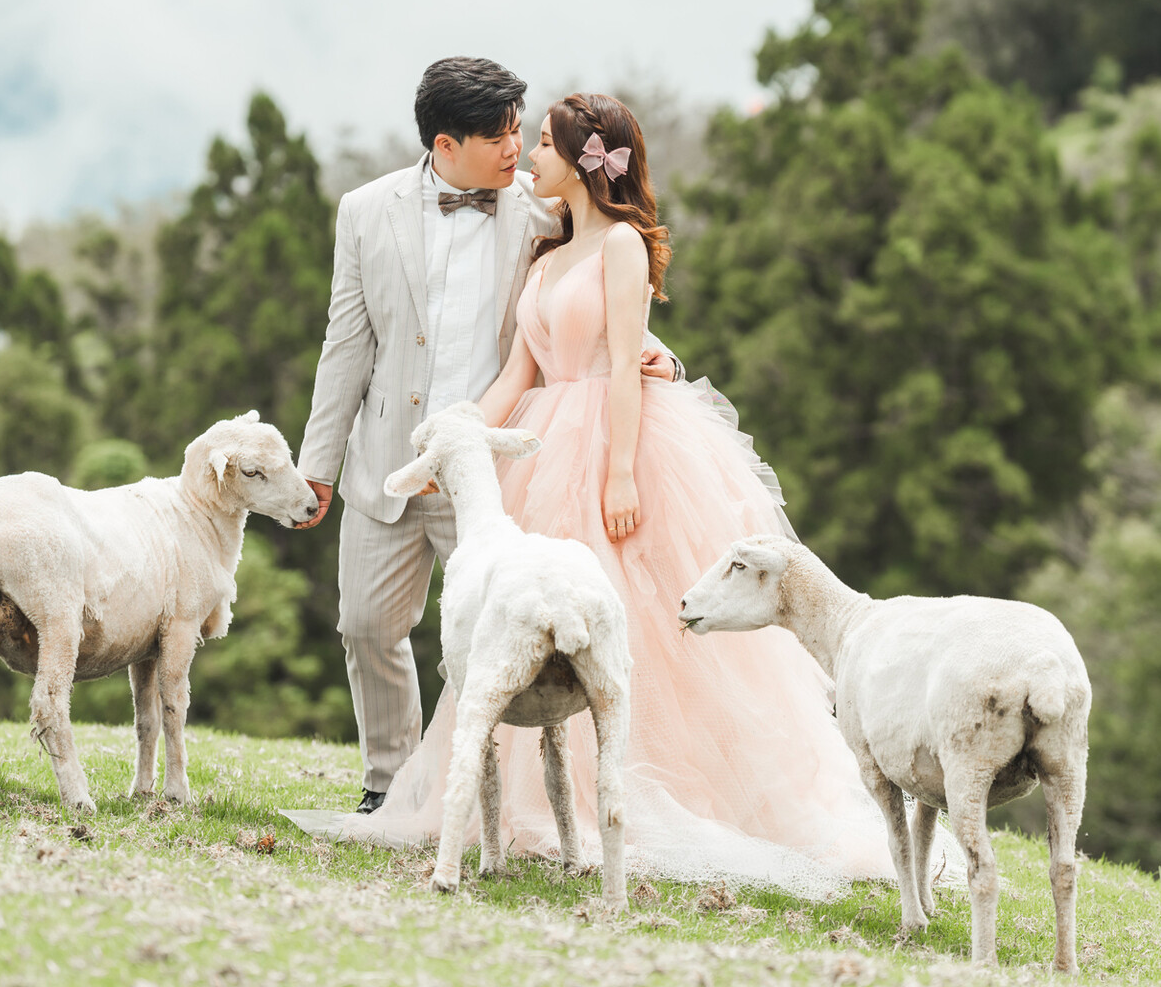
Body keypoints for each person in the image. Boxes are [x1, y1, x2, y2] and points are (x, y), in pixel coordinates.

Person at [313, 91, 927, 894]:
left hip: (616, 441)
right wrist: (452, 443)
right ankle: (529, 803)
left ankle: (643, 793)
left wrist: (621, 472)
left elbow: (629, 366)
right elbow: (517, 375)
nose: (530, 156)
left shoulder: (624, 246)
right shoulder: (545, 255)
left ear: (583, 160)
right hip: (542, 447)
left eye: (542, 143)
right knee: (526, 629)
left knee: (640, 622)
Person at [294, 59, 676, 815]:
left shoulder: (541, 210)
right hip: (388, 460)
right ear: (446, 144)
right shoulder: (363, 212)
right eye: (499, 137)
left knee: (501, 638)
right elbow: (345, 347)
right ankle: (389, 784)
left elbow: (599, 298)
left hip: (500, 469)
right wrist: (318, 465)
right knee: (366, 627)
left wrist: (659, 357)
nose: (515, 150)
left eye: (521, 133)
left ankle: (478, 794)